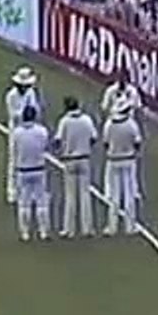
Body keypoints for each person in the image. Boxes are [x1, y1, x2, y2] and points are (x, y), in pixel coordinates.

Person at [54, 96, 98, 239]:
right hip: (84, 158)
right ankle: (87, 228)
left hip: (69, 160)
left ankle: (69, 229)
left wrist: (62, 150)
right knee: (85, 194)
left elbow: (58, 140)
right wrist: (85, 147)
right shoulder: (87, 120)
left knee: (70, 196)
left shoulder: (64, 121)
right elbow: (93, 137)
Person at [102, 98, 143, 237]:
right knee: (129, 194)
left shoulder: (109, 124)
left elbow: (105, 143)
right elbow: (137, 142)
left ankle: (112, 227)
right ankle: (130, 226)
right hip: (128, 160)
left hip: (113, 160)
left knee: (114, 195)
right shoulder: (131, 125)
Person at [11, 105, 51, 242]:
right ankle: (43, 231)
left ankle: (25, 233)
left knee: (24, 203)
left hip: (23, 170)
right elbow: (45, 147)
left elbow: (15, 150)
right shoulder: (42, 131)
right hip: (39, 168)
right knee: (41, 202)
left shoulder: (17, 133)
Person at [4, 66, 42, 204]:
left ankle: (30, 192)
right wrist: (25, 112)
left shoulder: (31, 93)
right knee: (14, 159)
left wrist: (31, 113)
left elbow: (36, 109)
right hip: (16, 130)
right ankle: (12, 190)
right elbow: (13, 115)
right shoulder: (11, 96)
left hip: (30, 128)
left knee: (32, 158)